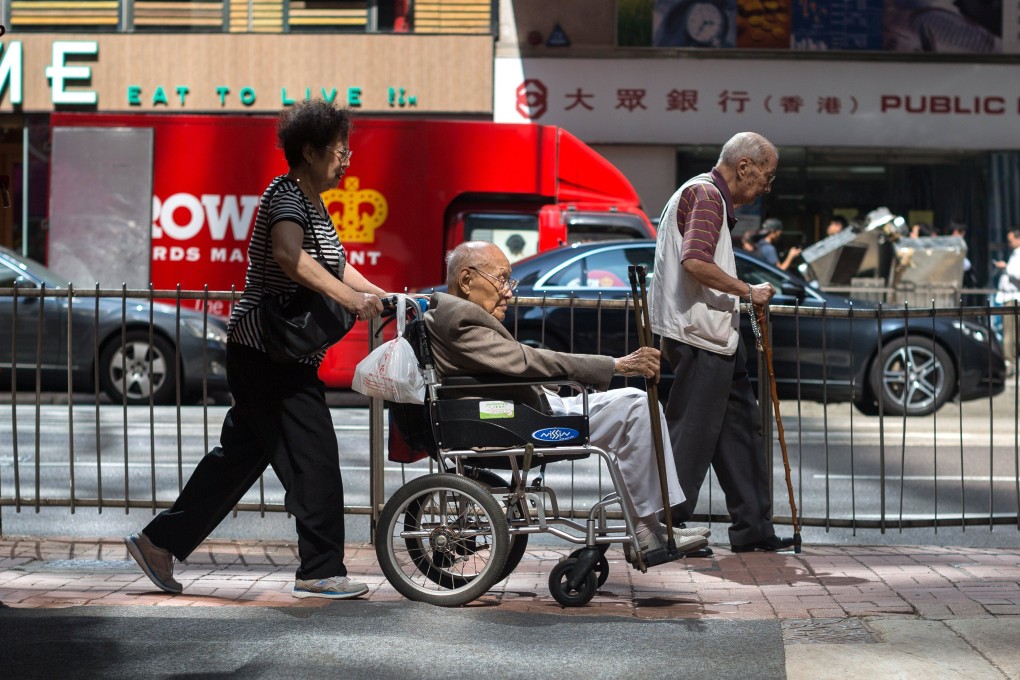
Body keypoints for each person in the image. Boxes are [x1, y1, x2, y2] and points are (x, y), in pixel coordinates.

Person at [123, 100, 386, 600]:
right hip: (268, 355)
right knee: (314, 460)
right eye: (339, 149)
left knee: (239, 458)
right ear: (309, 152)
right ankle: (320, 571)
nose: (347, 158)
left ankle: (158, 543)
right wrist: (352, 299)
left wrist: (382, 296)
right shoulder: (286, 197)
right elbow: (290, 257)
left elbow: (332, 265)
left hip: (272, 356)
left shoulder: (311, 201)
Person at [425, 241, 711, 560]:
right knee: (637, 406)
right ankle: (646, 530)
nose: (508, 291)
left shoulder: (451, 313)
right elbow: (524, 360)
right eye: (502, 279)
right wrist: (614, 365)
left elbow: (516, 362)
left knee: (637, 403)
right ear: (467, 280)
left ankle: (649, 526)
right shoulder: (459, 317)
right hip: (519, 419)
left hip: (524, 410)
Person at [649, 131, 794, 553]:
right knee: (692, 434)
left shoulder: (699, 193)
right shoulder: (707, 196)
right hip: (700, 335)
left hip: (714, 334)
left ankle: (754, 528)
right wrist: (747, 290)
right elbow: (695, 261)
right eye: (766, 177)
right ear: (743, 166)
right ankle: (664, 528)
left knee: (740, 432)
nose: (767, 187)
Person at [994, 228, 1020, 363]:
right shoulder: (1014, 254)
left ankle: (1009, 361)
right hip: (1008, 297)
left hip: (1014, 298)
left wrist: (1006, 268)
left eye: (1011, 241)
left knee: (1010, 333)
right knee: (1009, 332)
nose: (1009, 244)